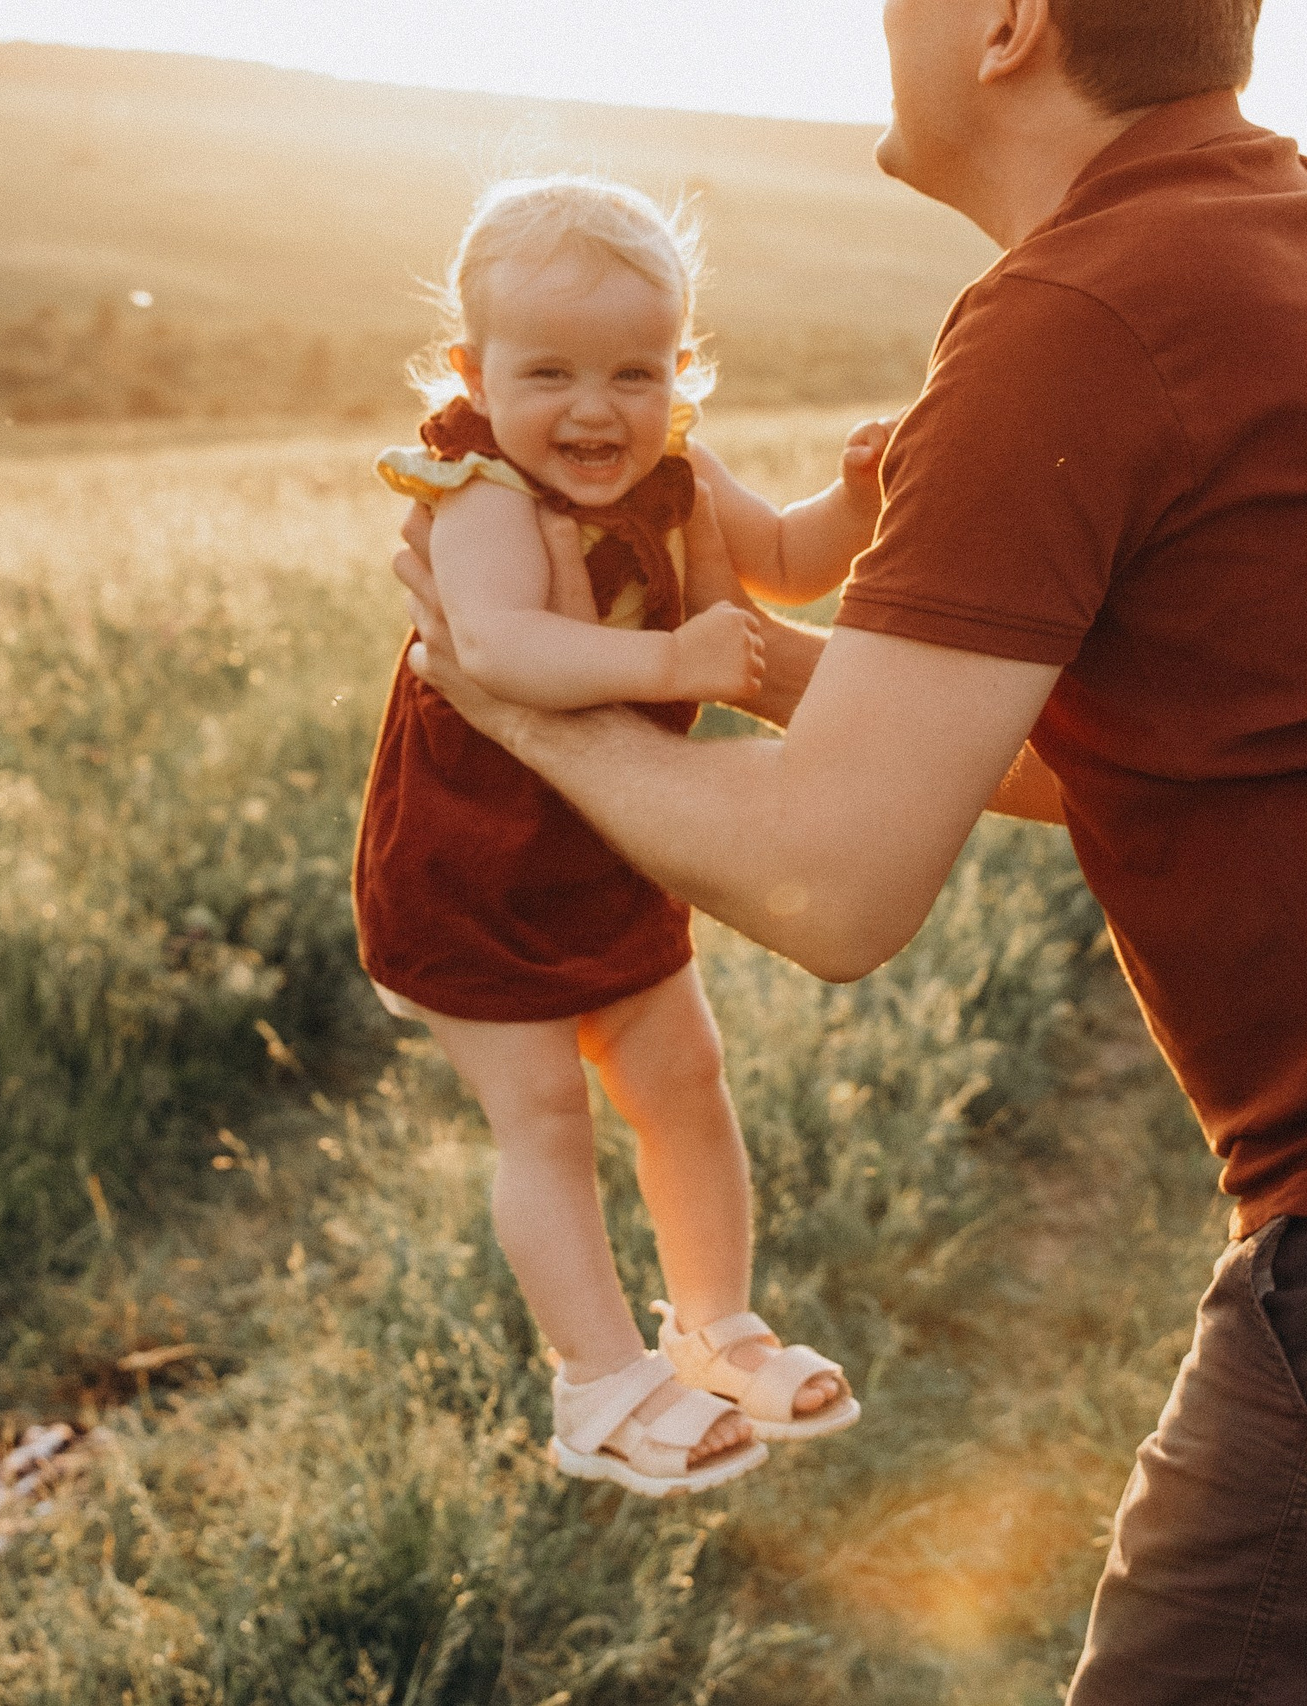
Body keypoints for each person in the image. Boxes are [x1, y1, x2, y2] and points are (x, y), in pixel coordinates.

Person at [392, 0, 1307, 1697]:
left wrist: (512, 705)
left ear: (1008, 23)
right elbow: (1186, 751)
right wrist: (766, 672)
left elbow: (833, 891)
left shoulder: (1074, 312)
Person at [356, 174, 885, 1499]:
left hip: (609, 844)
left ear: (677, 371)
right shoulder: (478, 488)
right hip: (468, 864)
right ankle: (596, 1384)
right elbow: (495, 644)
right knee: (543, 1111)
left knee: (685, 1082)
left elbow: (785, 561)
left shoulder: (676, 468)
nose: (595, 410)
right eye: (549, 373)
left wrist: (861, 500)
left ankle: (714, 1327)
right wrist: (672, 668)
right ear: (476, 373)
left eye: (634, 372)